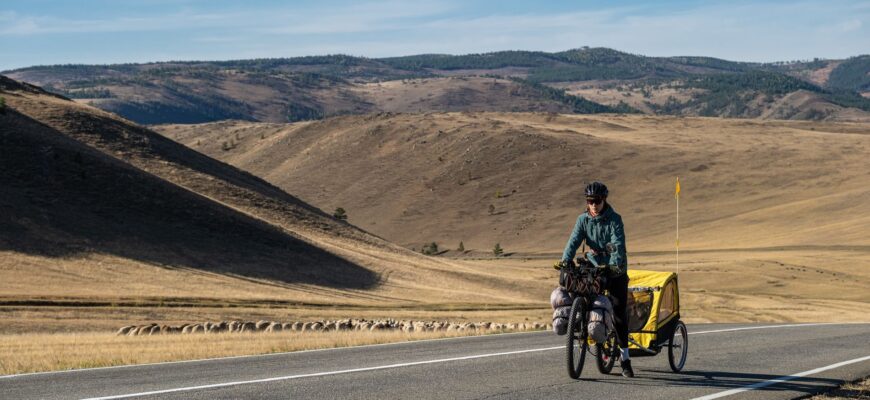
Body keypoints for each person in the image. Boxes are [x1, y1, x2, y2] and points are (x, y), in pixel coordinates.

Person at [560, 181, 634, 378]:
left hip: (614, 270)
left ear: (604, 200)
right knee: (582, 294)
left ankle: (625, 358)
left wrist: (614, 263)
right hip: (594, 267)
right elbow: (573, 240)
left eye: (597, 200)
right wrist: (565, 260)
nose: (593, 204)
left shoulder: (614, 219)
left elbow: (618, 244)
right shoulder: (582, 220)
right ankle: (583, 323)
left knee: (618, 312)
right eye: (590, 200)